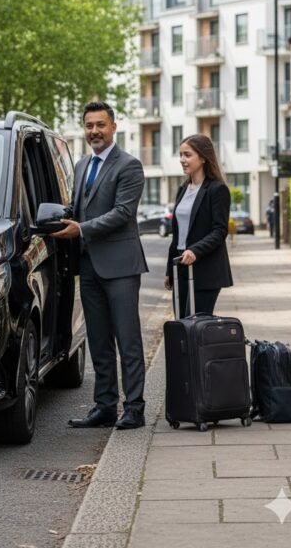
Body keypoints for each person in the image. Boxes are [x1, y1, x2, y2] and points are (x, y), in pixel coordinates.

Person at [53, 101, 148, 430]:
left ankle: (134, 408)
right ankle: (105, 406)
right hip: (89, 265)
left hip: (120, 267)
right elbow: (78, 209)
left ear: (113, 127)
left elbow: (123, 213)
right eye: (89, 125)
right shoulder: (81, 165)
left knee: (128, 340)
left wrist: (80, 229)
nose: (94, 131)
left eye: (100, 125)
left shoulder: (129, 166)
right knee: (98, 340)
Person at [164, 134, 233, 317]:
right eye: (180, 155)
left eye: (187, 155)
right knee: (180, 323)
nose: (182, 160)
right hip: (180, 265)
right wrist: (169, 270)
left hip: (205, 268)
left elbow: (219, 231)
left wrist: (195, 250)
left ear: (203, 158)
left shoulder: (217, 189)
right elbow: (177, 235)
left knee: (196, 325)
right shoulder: (183, 189)